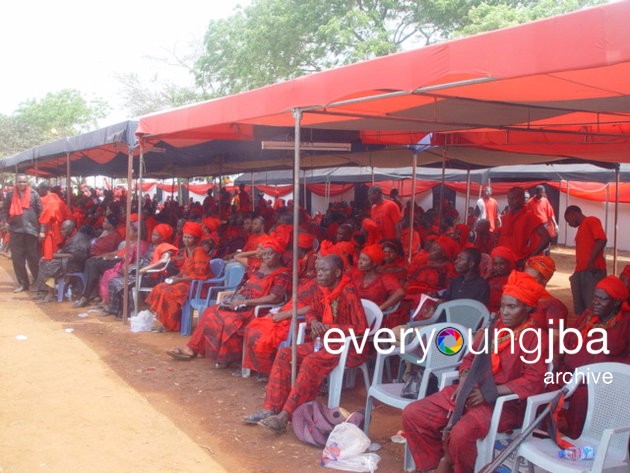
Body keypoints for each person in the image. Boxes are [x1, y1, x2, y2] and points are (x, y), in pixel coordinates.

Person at [402, 270, 549, 473]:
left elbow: (534, 380)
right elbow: (470, 357)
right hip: (470, 392)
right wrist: (464, 378)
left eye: (512, 307)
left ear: (528, 308)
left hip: (503, 404)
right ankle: (435, 464)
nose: (505, 312)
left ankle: (456, 466)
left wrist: (491, 392)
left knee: (461, 434)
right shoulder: (495, 327)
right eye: (503, 306)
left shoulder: (536, 338)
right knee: (414, 413)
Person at [242, 254, 367, 433]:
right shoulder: (322, 289)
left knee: (310, 361)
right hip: (326, 341)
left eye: (324, 270)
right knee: (286, 353)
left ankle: (285, 416)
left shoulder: (348, 292)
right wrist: (315, 322)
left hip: (349, 347)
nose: (319, 274)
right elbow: (312, 312)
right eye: (318, 270)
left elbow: (361, 329)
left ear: (337, 272)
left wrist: (329, 327)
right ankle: (271, 407)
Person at [167, 237, 290, 366]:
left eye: (270, 253)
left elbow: (274, 298)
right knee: (210, 311)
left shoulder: (282, 273)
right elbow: (239, 258)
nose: (266, 257)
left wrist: (247, 303)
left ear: (279, 254)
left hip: (257, 308)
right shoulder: (259, 266)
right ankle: (192, 348)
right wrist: (238, 300)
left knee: (229, 320)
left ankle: (225, 357)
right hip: (242, 303)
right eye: (264, 253)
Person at [558, 275, 630, 438]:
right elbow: (567, 340)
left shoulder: (625, 323)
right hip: (571, 373)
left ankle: (575, 439)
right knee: (545, 384)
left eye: (602, 300)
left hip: (603, 381)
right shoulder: (588, 316)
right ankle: (545, 432)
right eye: (595, 298)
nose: (595, 302)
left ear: (616, 302)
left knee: (583, 396)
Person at [146, 222, 211, 332]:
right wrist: (176, 276)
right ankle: (165, 321)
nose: (186, 240)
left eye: (189, 237)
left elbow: (200, 275)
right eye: (185, 237)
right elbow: (184, 270)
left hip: (198, 286)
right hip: (185, 282)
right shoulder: (186, 251)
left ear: (196, 239)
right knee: (159, 287)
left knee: (169, 293)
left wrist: (180, 279)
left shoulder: (199, 251)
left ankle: (171, 325)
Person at [31, 221, 92, 303]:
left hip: (75, 265)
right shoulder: (72, 237)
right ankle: (46, 291)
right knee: (45, 262)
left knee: (49, 265)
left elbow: (76, 255)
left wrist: (56, 256)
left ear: (70, 229)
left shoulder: (79, 238)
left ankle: (50, 294)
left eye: (64, 229)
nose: (61, 231)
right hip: (68, 262)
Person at [1, 174, 42, 292]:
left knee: (33, 258)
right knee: (17, 258)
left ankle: (37, 281)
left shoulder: (34, 194)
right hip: (16, 230)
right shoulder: (10, 195)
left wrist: (41, 229)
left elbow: (41, 212)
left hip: (32, 231)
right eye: (20, 182)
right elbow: (4, 210)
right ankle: (23, 284)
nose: (22, 184)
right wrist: (5, 222)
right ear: (16, 182)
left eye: (24, 182)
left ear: (27, 183)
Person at [564, 205, 607, 316]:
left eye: (568, 220)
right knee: (581, 308)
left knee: (591, 305)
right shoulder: (581, 228)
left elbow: (601, 239)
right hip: (581, 270)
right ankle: (584, 330)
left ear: (573, 213)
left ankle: (592, 331)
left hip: (592, 270)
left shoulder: (591, 220)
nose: (569, 224)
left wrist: (591, 261)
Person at [350, 243, 406, 328]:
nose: (360, 262)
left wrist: (379, 308)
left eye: (364, 260)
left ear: (374, 264)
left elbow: (400, 293)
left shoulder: (385, 278)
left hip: (373, 319)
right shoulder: (357, 276)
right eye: (360, 258)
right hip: (354, 316)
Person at [497, 187, 550, 267]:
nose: (510, 201)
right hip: (504, 261)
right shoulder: (506, 217)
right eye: (509, 198)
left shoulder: (530, 216)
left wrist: (530, 258)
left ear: (522, 199)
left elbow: (546, 237)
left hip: (519, 261)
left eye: (514, 198)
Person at [37, 181, 69, 262]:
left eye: (40, 189)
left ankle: (49, 264)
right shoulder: (55, 197)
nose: (39, 191)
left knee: (50, 250)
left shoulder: (51, 200)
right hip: (58, 226)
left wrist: (42, 231)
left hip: (52, 227)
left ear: (45, 189)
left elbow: (46, 216)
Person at [486, 246, 516, 314]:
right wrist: (486, 278)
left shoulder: (514, 279)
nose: (498, 267)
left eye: (502, 263)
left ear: (509, 263)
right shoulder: (490, 278)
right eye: (495, 264)